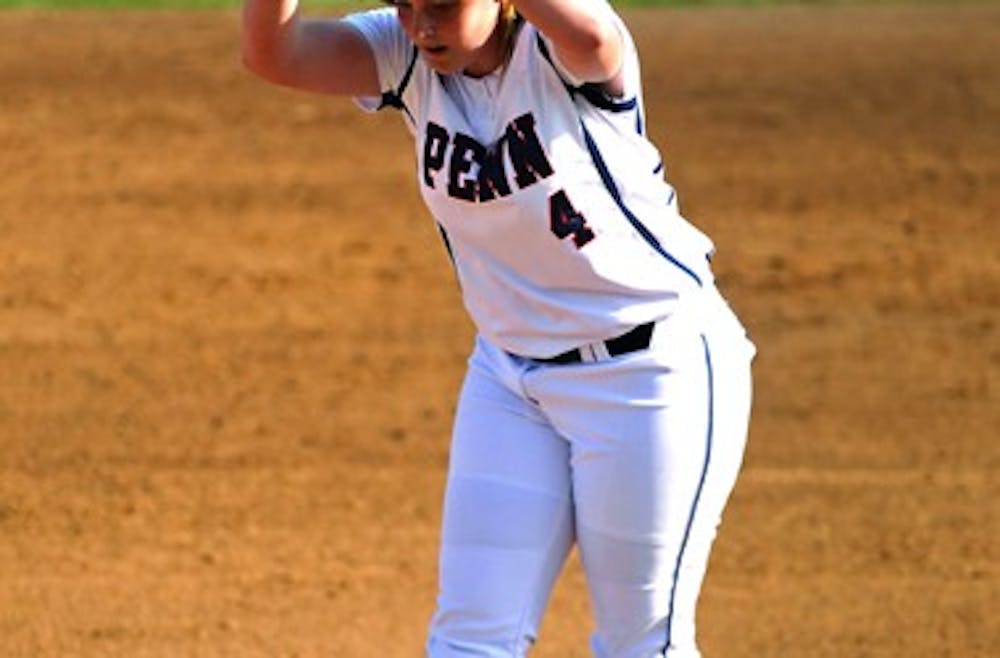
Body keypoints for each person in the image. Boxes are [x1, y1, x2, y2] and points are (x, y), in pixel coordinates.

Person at [241, 0, 756, 655]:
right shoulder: (404, 56)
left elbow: (594, 33)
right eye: (405, 3)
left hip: (653, 373)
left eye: (443, 5)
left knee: (642, 641)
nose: (422, 24)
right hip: (511, 381)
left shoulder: (563, 51)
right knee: (470, 640)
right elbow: (272, 54)